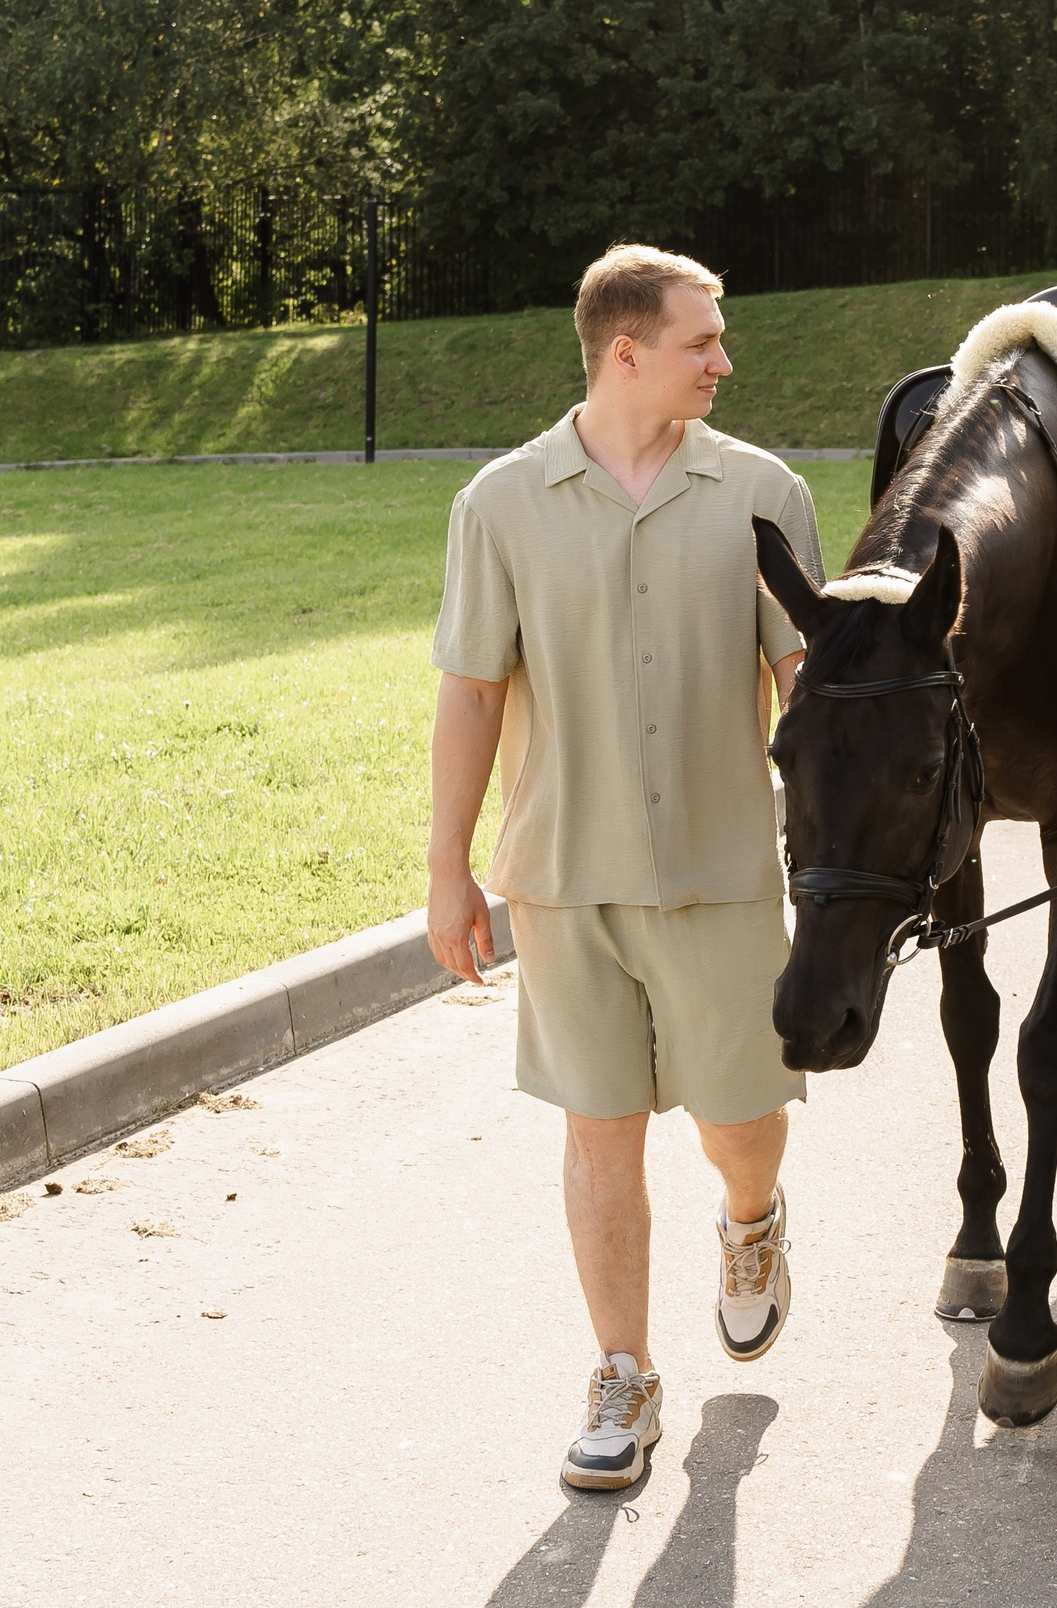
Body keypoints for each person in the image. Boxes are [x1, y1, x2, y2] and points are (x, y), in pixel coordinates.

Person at [425, 244, 815, 1492]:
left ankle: (750, 1224)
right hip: (563, 875)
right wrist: (447, 870)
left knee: (739, 1123)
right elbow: (472, 691)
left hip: (722, 872)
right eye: (704, 340)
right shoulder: (500, 502)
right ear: (625, 351)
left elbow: (806, 687)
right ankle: (623, 1375)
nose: (724, 360)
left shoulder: (763, 493)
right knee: (599, 1133)